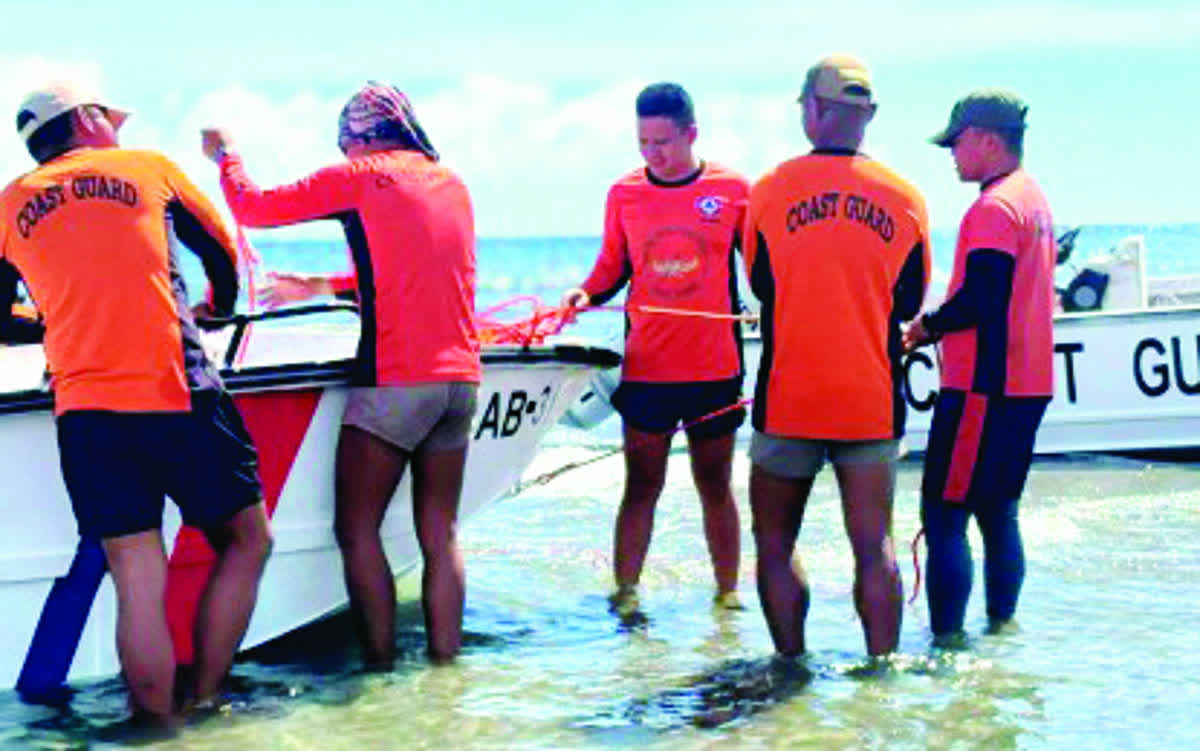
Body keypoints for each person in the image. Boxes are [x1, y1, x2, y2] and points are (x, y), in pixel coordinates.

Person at [0, 81, 273, 725]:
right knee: (247, 540)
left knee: (135, 578)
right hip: (177, 390)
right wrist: (218, 310)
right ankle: (205, 697)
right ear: (89, 120)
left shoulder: (9, 204)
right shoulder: (148, 168)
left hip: (86, 412)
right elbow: (223, 255)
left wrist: (59, 321)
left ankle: (158, 728)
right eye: (111, 120)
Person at [201, 81, 480, 666]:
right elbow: (415, 272)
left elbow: (254, 207)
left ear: (357, 136)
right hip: (461, 383)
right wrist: (325, 287)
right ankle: (445, 671)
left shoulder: (359, 176)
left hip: (395, 384)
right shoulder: (450, 182)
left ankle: (379, 666)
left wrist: (226, 157)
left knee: (356, 530)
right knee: (442, 535)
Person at [743, 54, 930, 658]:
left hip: (789, 395)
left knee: (774, 543)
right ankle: (882, 674)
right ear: (867, 115)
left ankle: (790, 668)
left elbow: (761, 286)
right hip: (870, 399)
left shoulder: (770, 191)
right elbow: (909, 299)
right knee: (874, 545)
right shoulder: (905, 199)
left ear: (815, 110)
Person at [561, 82, 749, 614]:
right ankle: (625, 597)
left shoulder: (733, 188)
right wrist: (585, 293)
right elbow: (612, 267)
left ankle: (728, 598)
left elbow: (761, 268)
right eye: (643, 142)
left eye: (663, 141)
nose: (653, 153)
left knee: (715, 484)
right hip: (647, 368)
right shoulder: (625, 192)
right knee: (641, 484)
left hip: (715, 367)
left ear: (691, 133)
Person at [903, 89, 1054, 645]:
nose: (950, 154)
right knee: (999, 513)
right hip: (1028, 384)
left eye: (956, 142)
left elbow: (982, 300)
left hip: (982, 389)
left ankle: (946, 650)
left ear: (989, 140)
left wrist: (924, 327)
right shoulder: (1033, 196)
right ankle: (1001, 636)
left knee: (944, 515)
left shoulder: (994, 208)